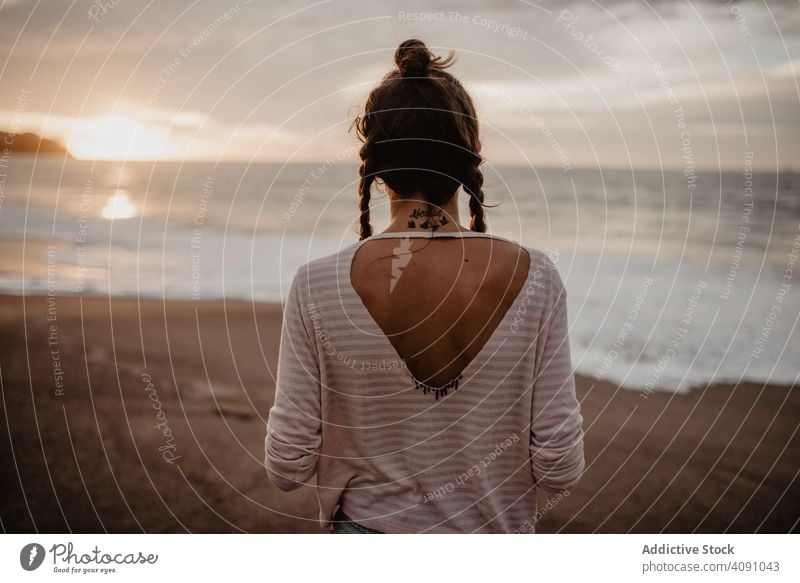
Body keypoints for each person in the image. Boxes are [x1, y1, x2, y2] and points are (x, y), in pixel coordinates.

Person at [265, 39, 584, 534]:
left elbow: (287, 467)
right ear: (469, 158)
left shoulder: (317, 286)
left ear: (374, 165)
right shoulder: (536, 279)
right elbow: (560, 468)